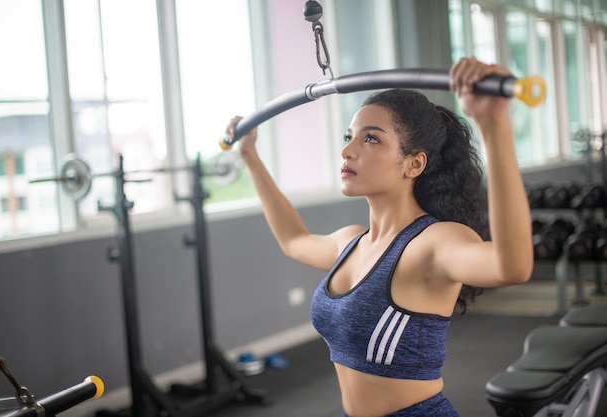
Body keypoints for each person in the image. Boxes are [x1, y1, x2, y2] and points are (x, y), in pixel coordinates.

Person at [224, 57, 533, 417]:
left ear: (413, 164)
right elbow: (293, 240)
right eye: (349, 137)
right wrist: (249, 155)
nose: (347, 151)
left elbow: (511, 267)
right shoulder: (351, 243)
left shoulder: (433, 243)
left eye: (370, 138)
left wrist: (493, 126)